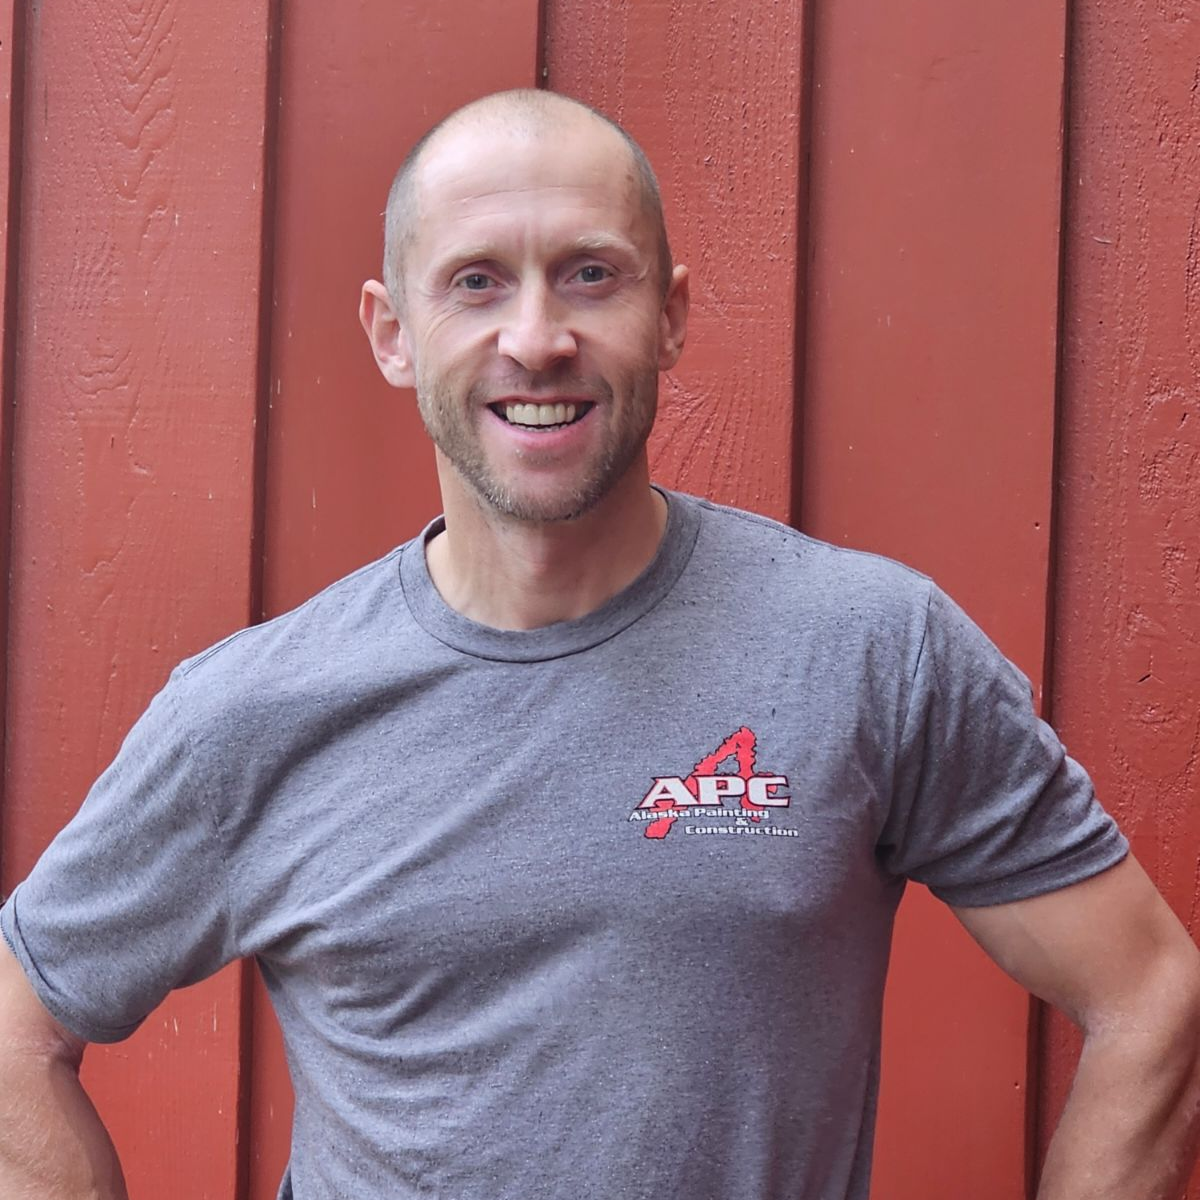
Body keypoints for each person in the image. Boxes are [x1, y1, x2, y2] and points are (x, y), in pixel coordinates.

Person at [1, 88, 1198, 1200]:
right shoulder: (253, 711)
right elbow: (19, 1029)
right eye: (475, 281)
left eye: (589, 275)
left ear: (669, 316)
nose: (537, 338)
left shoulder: (866, 650)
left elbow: (1150, 993)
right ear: (391, 331)